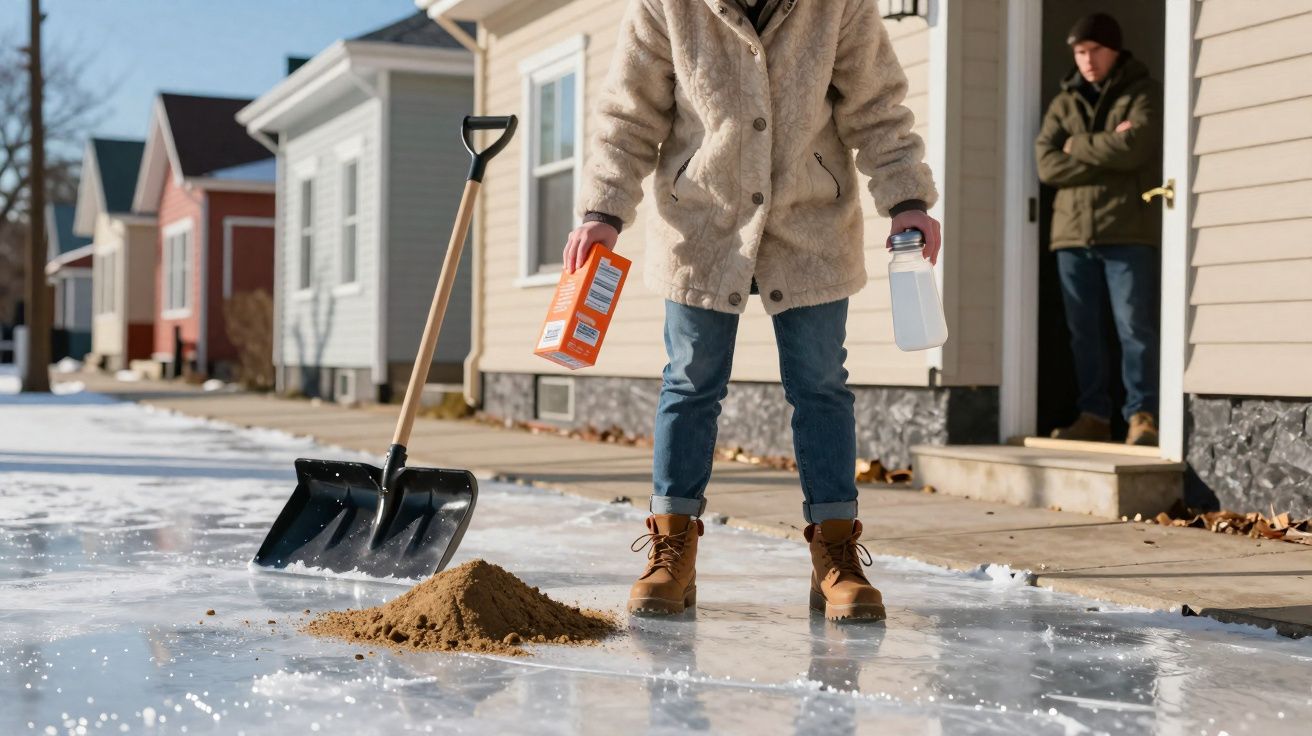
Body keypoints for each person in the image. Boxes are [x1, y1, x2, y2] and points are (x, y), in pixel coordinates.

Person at [563, 0, 940, 621]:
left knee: (821, 386)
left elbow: (877, 107)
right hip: (700, 224)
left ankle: (835, 554)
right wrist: (603, 210)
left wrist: (907, 199)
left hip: (811, 223)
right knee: (690, 382)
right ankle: (672, 549)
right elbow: (628, 114)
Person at [1036, 12, 1162, 446]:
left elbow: (1137, 148)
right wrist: (1110, 148)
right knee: (1084, 335)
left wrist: (1075, 146)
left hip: (1128, 230)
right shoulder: (1063, 102)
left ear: (1114, 50)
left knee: (1135, 329)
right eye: (1079, 52)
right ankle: (1094, 415)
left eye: (1095, 50)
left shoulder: (1142, 92)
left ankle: (1142, 415)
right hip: (1071, 235)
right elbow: (1046, 165)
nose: (1087, 59)